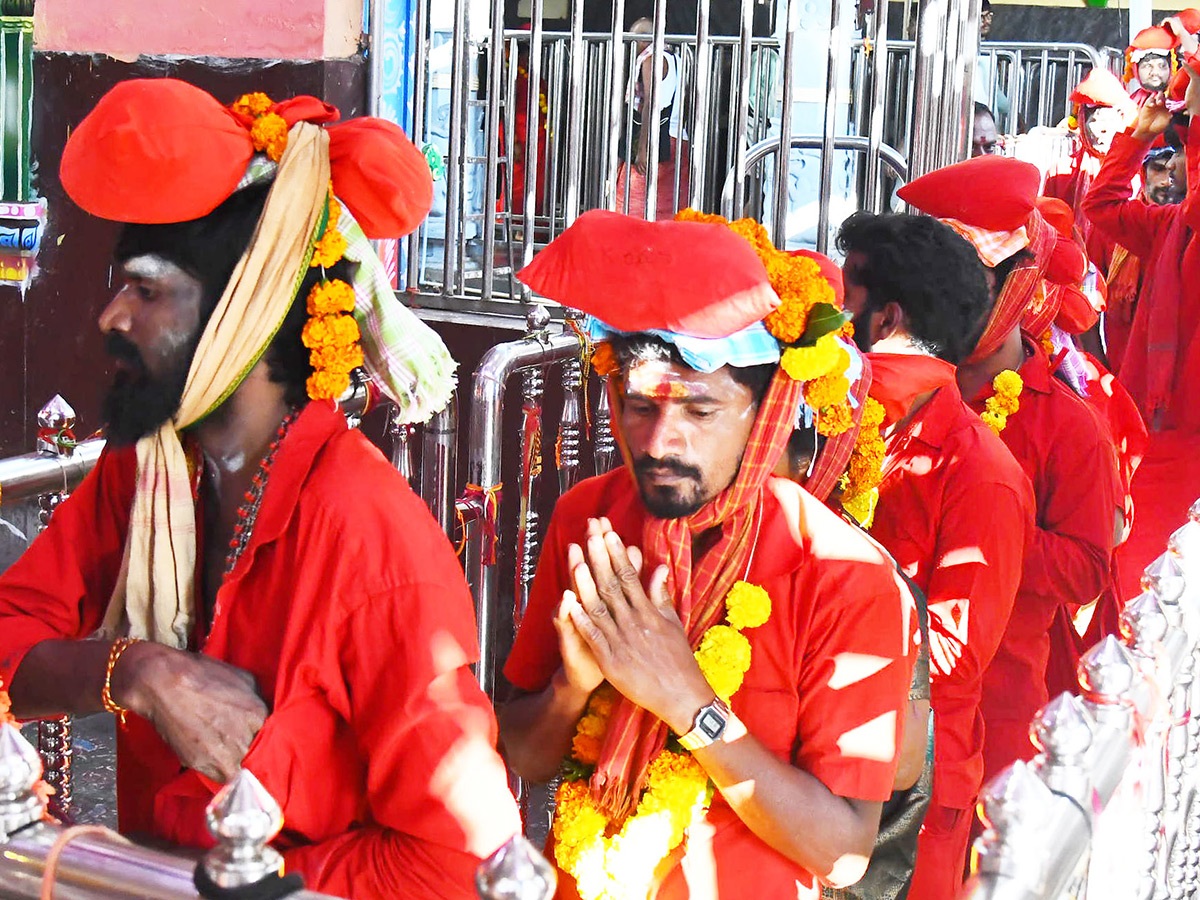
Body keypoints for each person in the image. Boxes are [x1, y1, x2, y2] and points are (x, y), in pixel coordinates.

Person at [0, 79, 520, 899]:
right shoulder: (145, 472)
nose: (107, 318)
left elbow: (454, 865)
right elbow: (8, 632)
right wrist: (136, 671)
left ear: (244, 311)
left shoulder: (371, 543)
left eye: (146, 289)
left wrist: (226, 881)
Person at [504, 208, 919, 900]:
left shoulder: (847, 575)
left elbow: (844, 853)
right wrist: (570, 691)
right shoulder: (591, 519)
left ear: (767, 413)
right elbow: (521, 752)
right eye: (641, 407)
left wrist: (685, 698)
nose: (661, 442)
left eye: (699, 412)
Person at [900, 157, 1122, 788]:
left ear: (1019, 289)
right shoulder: (887, 390)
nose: (947, 307)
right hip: (876, 708)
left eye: (968, 286)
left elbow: (1086, 571)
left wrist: (987, 526)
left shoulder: (1070, 424)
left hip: (999, 718)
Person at [836, 211, 1034, 900]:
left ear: (885, 320)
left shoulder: (984, 473)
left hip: (911, 790)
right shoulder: (843, 422)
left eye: (845, 308)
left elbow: (953, 657)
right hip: (828, 762)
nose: (834, 329)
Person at [1084, 18, 1200, 600]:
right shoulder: (1169, 227)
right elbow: (1102, 204)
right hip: (1150, 428)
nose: (1172, 166)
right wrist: (1136, 136)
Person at [1044, 69, 1138, 270]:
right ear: (1081, 122)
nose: (1100, 129)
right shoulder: (1060, 171)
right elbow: (1049, 231)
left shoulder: (1136, 169)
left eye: (1108, 120)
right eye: (1094, 120)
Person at [615, 17, 690, 220]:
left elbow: (650, 103)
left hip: (655, 139)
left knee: (629, 204)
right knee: (669, 206)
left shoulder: (651, 59)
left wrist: (642, 148)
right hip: (677, 138)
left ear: (643, 40)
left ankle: (634, 250)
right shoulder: (677, 59)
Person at [1125, 26, 1176, 106]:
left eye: (1162, 66)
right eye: (1147, 66)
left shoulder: (1180, 102)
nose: (1155, 72)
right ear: (1136, 70)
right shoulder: (1130, 104)